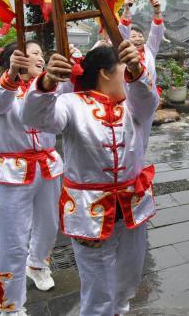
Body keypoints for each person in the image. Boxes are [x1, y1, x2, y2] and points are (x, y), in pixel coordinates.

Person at [22, 40, 160, 315]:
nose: (128, 75)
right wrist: (47, 82)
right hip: (89, 212)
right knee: (97, 290)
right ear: (106, 72)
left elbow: (148, 97)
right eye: (123, 68)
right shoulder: (70, 103)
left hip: (132, 206)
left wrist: (136, 68)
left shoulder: (134, 105)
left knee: (127, 280)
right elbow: (36, 117)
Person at [0, 42, 66, 316]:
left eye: (42, 53)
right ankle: (12, 306)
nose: (40, 57)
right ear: (14, 60)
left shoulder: (49, 89)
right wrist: (11, 77)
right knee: (13, 241)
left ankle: (38, 265)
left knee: (50, 225)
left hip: (47, 166)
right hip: (12, 173)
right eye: (33, 54)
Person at [118, 1, 165, 83]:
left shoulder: (150, 49)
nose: (138, 39)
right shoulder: (126, 52)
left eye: (140, 36)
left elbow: (156, 34)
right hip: (132, 91)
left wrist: (157, 12)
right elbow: (123, 32)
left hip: (150, 91)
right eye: (133, 36)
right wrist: (126, 9)